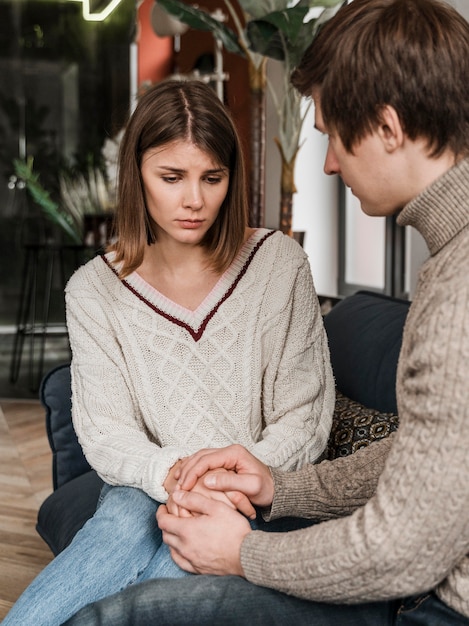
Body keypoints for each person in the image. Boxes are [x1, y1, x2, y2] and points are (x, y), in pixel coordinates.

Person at [64, 0, 469, 624]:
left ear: (387, 129)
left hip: (434, 604)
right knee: (125, 516)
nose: (329, 164)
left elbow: (401, 547)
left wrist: (246, 551)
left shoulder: (455, 292)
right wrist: (277, 487)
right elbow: (425, 455)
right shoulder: (449, 265)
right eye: (171, 176)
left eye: (332, 136)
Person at [2, 80, 334, 625]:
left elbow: (305, 417)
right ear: (137, 175)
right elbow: (106, 431)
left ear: (232, 177)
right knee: (125, 518)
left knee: (173, 564)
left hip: (249, 496)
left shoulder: (279, 264)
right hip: (148, 484)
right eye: (172, 177)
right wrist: (175, 472)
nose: (195, 201)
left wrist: (227, 482)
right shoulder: (94, 289)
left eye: (213, 177)